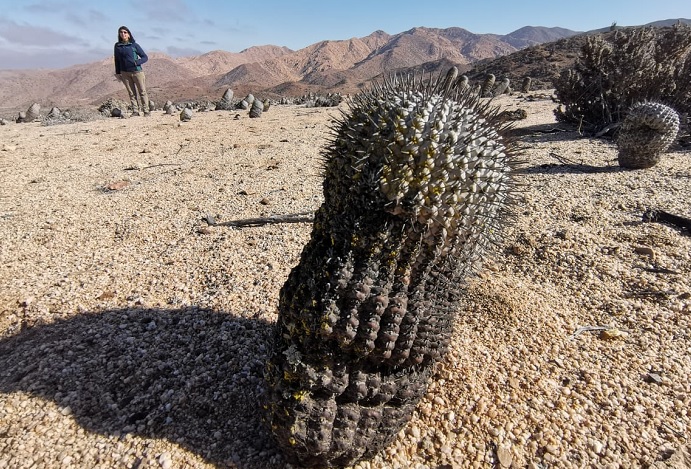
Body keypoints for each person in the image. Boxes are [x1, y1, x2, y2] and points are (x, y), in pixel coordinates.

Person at [114, 26, 150, 116]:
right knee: (131, 93)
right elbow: (117, 60)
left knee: (142, 91)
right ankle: (135, 111)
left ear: (129, 34)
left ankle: (146, 111)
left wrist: (136, 62)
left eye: (125, 32)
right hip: (125, 73)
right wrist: (118, 72)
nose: (123, 34)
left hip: (137, 72)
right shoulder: (117, 46)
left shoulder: (134, 45)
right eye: (121, 32)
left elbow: (145, 57)